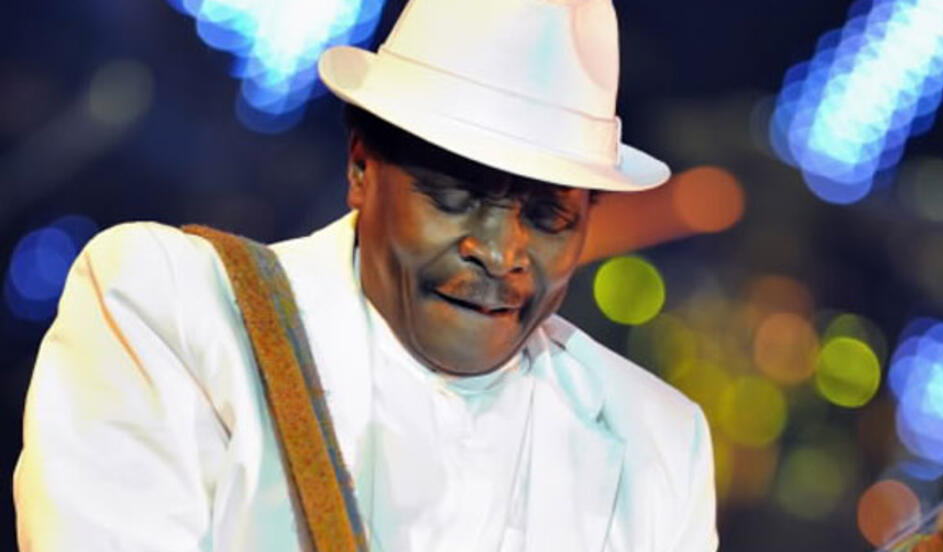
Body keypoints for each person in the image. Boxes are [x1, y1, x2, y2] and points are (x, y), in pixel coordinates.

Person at [14, 0, 719, 550]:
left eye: (548, 216)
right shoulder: (175, 310)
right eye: (455, 196)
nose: (500, 251)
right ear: (360, 168)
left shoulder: (657, 442)